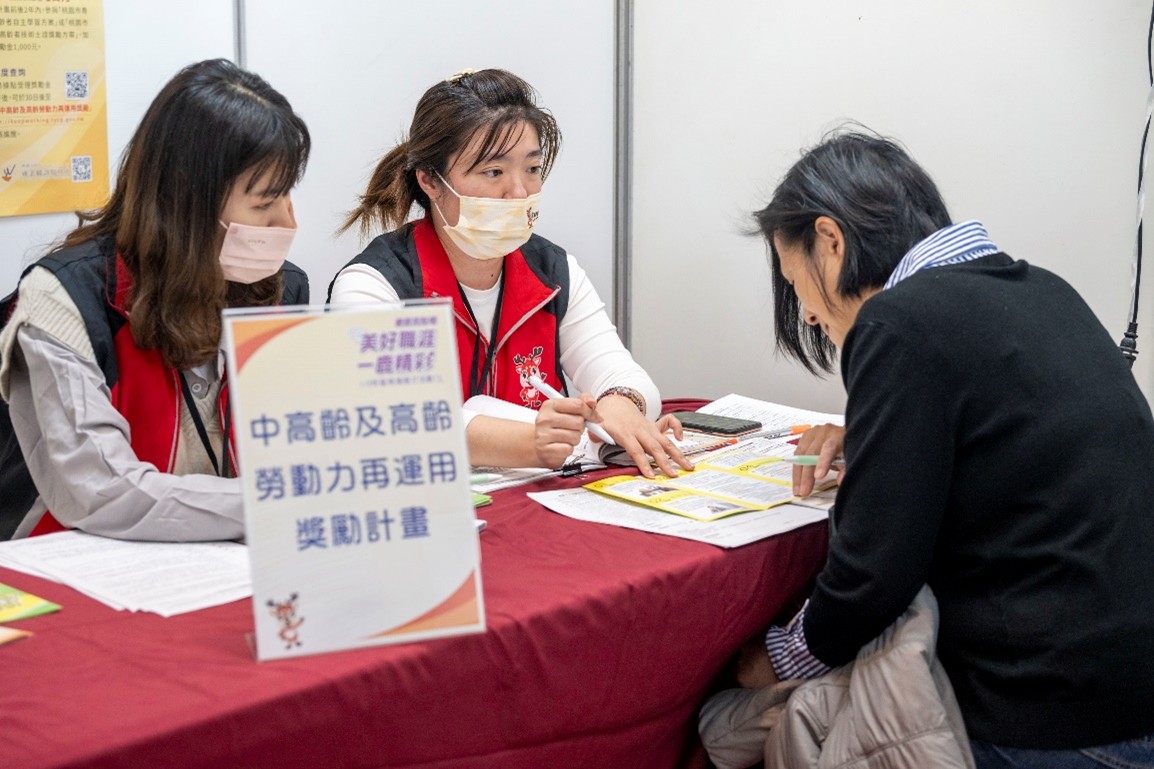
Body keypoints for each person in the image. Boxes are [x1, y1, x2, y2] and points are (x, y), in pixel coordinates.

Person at [735, 129, 1154, 766]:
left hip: (1048, 711)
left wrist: (771, 661)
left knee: (752, 724)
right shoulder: (1044, 290)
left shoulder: (898, 323)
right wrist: (871, 435)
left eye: (796, 284)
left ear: (830, 240)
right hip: (1128, 687)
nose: (810, 315)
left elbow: (872, 574)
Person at [0, 58, 311, 541]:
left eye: (286, 196)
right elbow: (101, 491)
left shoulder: (280, 288)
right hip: (74, 562)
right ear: (186, 198)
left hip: (224, 558)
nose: (287, 225)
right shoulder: (64, 298)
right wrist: (279, 503)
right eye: (264, 204)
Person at [329, 68, 689, 478]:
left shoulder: (553, 271)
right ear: (430, 180)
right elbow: (394, 417)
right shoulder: (375, 284)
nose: (519, 192)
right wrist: (530, 441)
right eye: (494, 172)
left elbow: (623, 375)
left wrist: (620, 406)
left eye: (532, 169)